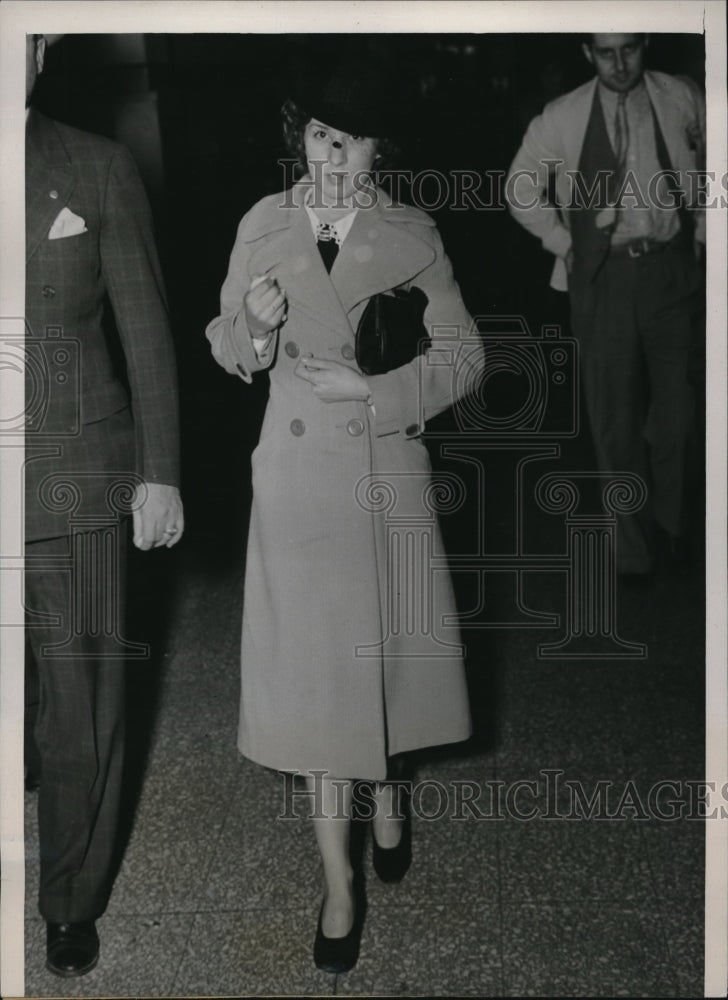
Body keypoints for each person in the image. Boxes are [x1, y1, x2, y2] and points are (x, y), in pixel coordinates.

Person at [206, 58, 482, 973]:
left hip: (383, 472)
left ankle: (392, 790)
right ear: (301, 139)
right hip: (294, 479)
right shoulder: (262, 223)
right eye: (320, 137)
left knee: (386, 673)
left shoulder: (413, 234)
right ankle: (339, 883)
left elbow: (465, 358)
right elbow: (223, 345)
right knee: (323, 696)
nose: (332, 156)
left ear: (377, 152)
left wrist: (374, 391)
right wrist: (248, 322)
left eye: (352, 141)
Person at [24, 34, 183, 977]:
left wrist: (157, 471)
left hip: (77, 470)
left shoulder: (97, 163)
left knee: (79, 704)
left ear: (38, 49)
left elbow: (147, 327)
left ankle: (71, 896)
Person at [505, 33, 705, 576]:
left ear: (647, 44)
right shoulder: (561, 116)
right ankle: (634, 553)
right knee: (614, 420)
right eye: (606, 52)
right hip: (603, 277)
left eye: (631, 49)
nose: (621, 64)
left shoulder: (681, 95)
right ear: (587, 53)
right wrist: (565, 243)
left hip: (671, 269)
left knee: (681, 414)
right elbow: (519, 188)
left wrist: (706, 228)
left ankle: (672, 526)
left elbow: (711, 164)